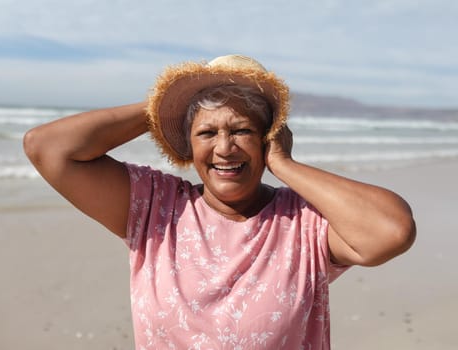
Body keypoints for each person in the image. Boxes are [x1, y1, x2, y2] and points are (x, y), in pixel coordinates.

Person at [24, 54, 416, 349]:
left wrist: (285, 164)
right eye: (206, 132)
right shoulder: (157, 208)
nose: (224, 148)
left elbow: (392, 231)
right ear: (189, 144)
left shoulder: (303, 223)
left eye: (242, 130)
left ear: (267, 139)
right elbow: (47, 147)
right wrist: (166, 107)